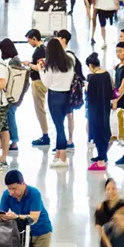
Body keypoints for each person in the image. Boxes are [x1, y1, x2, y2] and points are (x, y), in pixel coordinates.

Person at [40, 38, 75, 168]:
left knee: (59, 127)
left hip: (54, 96)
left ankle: (63, 158)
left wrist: (40, 70)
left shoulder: (50, 65)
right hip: (67, 95)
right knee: (61, 125)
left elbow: (46, 83)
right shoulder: (70, 61)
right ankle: (58, 155)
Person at [85, 53, 113, 170]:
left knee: (97, 133)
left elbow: (90, 96)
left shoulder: (92, 78)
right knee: (104, 131)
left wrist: (86, 88)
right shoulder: (106, 74)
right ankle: (103, 155)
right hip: (105, 107)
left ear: (91, 65)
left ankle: (101, 157)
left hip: (95, 110)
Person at [23, 30, 50, 146]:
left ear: (34, 38)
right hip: (41, 81)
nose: (29, 42)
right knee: (40, 108)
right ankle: (45, 134)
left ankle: (45, 135)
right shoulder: (43, 49)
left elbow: (39, 67)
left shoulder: (40, 51)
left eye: (29, 40)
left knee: (39, 109)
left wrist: (28, 64)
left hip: (38, 82)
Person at [0, 39, 22, 151]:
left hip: (11, 95)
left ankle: (14, 141)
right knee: (11, 116)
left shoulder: (12, 62)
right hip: (16, 94)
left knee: (10, 117)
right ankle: (13, 141)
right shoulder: (16, 59)